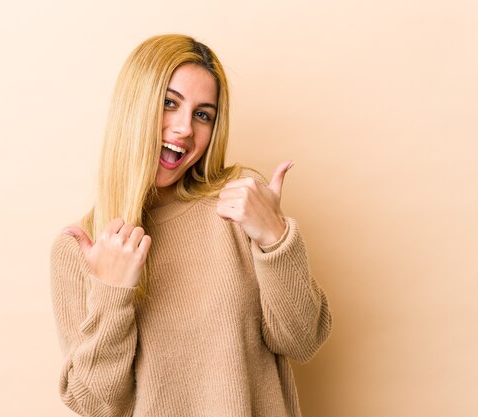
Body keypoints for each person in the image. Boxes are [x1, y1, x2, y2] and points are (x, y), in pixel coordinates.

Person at [50, 33, 332, 417]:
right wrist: (112, 293)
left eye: (203, 114)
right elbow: (96, 405)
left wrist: (275, 238)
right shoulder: (81, 249)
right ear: (135, 105)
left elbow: (302, 341)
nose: (184, 128)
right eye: (169, 103)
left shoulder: (236, 207)